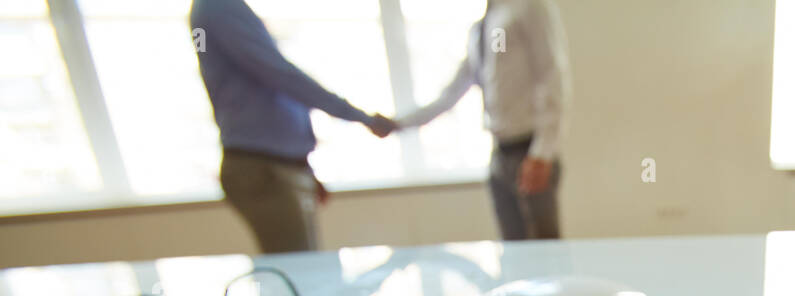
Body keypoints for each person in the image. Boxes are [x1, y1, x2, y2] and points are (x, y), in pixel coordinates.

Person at [190, 0, 396, 253]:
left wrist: (301, 165)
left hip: (278, 166)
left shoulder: (218, 11)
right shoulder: (217, 8)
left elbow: (267, 89)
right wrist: (362, 117)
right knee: (297, 274)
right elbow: (279, 75)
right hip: (263, 169)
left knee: (307, 267)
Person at [398, 0, 570, 240]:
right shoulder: (480, 30)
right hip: (499, 156)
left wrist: (542, 152)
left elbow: (551, 74)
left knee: (546, 255)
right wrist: (399, 123)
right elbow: (449, 96)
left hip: (529, 152)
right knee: (513, 255)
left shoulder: (529, 6)